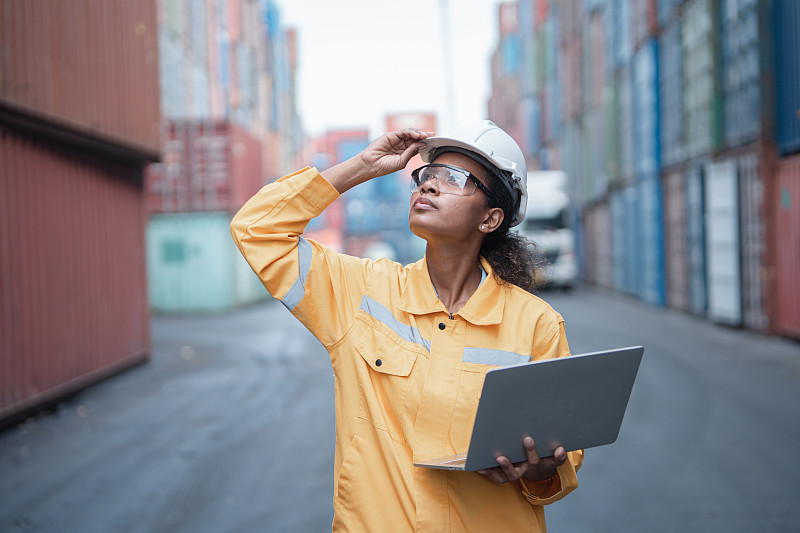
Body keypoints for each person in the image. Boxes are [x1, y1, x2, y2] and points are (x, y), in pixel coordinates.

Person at [231, 120, 583, 532]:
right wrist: (362, 166)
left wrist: (537, 470)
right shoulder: (360, 293)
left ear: (489, 218)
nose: (428, 186)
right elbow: (257, 230)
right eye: (427, 176)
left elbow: (561, 461)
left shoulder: (536, 324)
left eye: (453, 178)